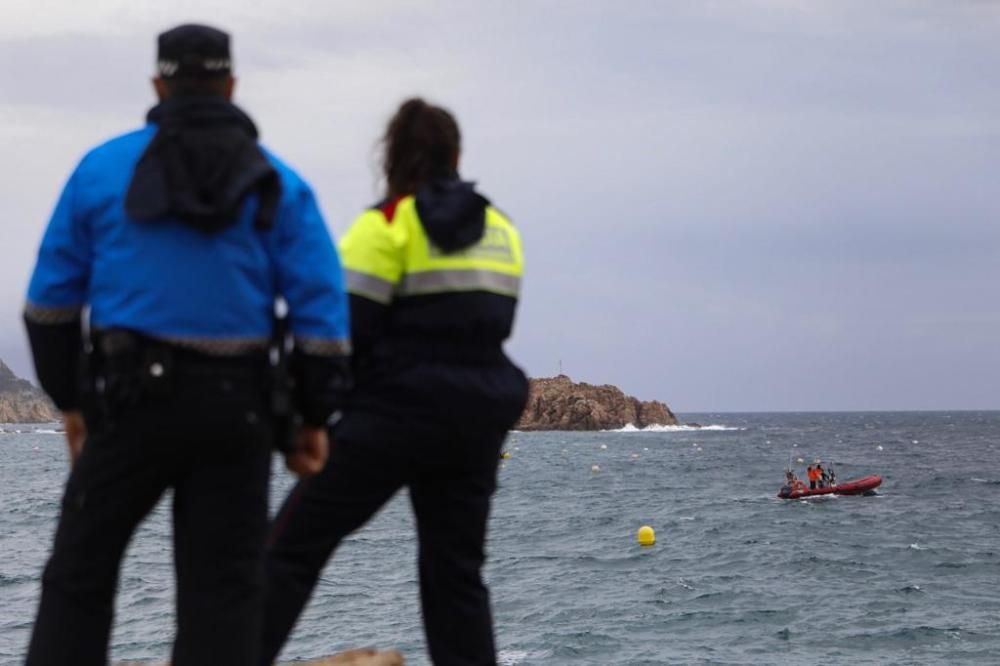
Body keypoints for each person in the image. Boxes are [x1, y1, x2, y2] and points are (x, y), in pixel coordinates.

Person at [22, 24, 350, 665]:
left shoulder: (101, 169)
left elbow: (48, 307)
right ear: (231, 85)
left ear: (158, 84)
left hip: (127, 404)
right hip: (240, 413)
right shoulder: (281, 184)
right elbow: (323, 322)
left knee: (79, 579)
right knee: (223, 597)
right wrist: (312, 417)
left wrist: (72, 402)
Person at [259, 98, 528, 666]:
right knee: (455, 575)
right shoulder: (501, 229)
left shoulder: (385, 224)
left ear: (393, 156)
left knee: (289, 548)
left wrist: (310, 418)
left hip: (393, 415)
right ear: (456, 154)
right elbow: (495, 324)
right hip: (477, 418)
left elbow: (339, 336)